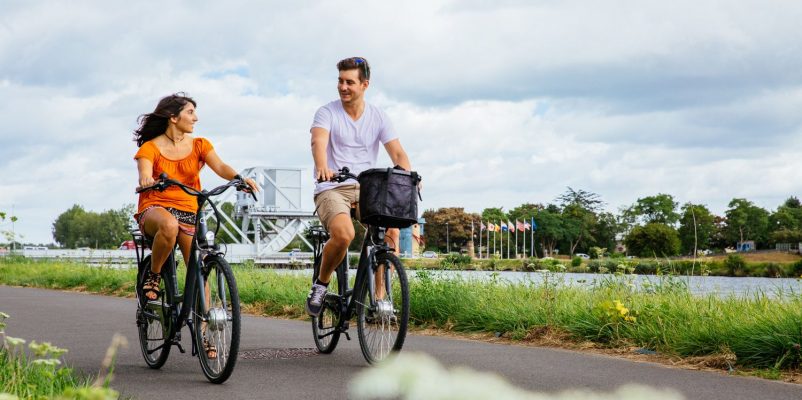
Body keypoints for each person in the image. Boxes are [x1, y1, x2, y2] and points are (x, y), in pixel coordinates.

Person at [133, 93, 258, 346]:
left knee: (199, 270)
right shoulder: (150, 148)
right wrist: (147, 180)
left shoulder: (200, 145)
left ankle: (204, 332)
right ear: (173, 117)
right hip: (156, 207)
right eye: (190, 112)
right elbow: (145, 172)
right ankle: (154, 276)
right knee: (169, 225)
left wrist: (238, 179)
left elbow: (220, 166)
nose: (195, 118)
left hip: (190, 208)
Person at [306, 57, 413, 317]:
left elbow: (398, 154)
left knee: (391, 229)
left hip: (367, 188)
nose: (343, 87)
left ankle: (378, 299)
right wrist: (322, 166)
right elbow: (318, 141)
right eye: (340, 81)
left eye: (349, 82)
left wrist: (408, 179)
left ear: (365, 84)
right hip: (332, 187)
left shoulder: (378, 116)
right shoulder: (327, 112)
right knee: (344, 235)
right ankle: (321, 284)